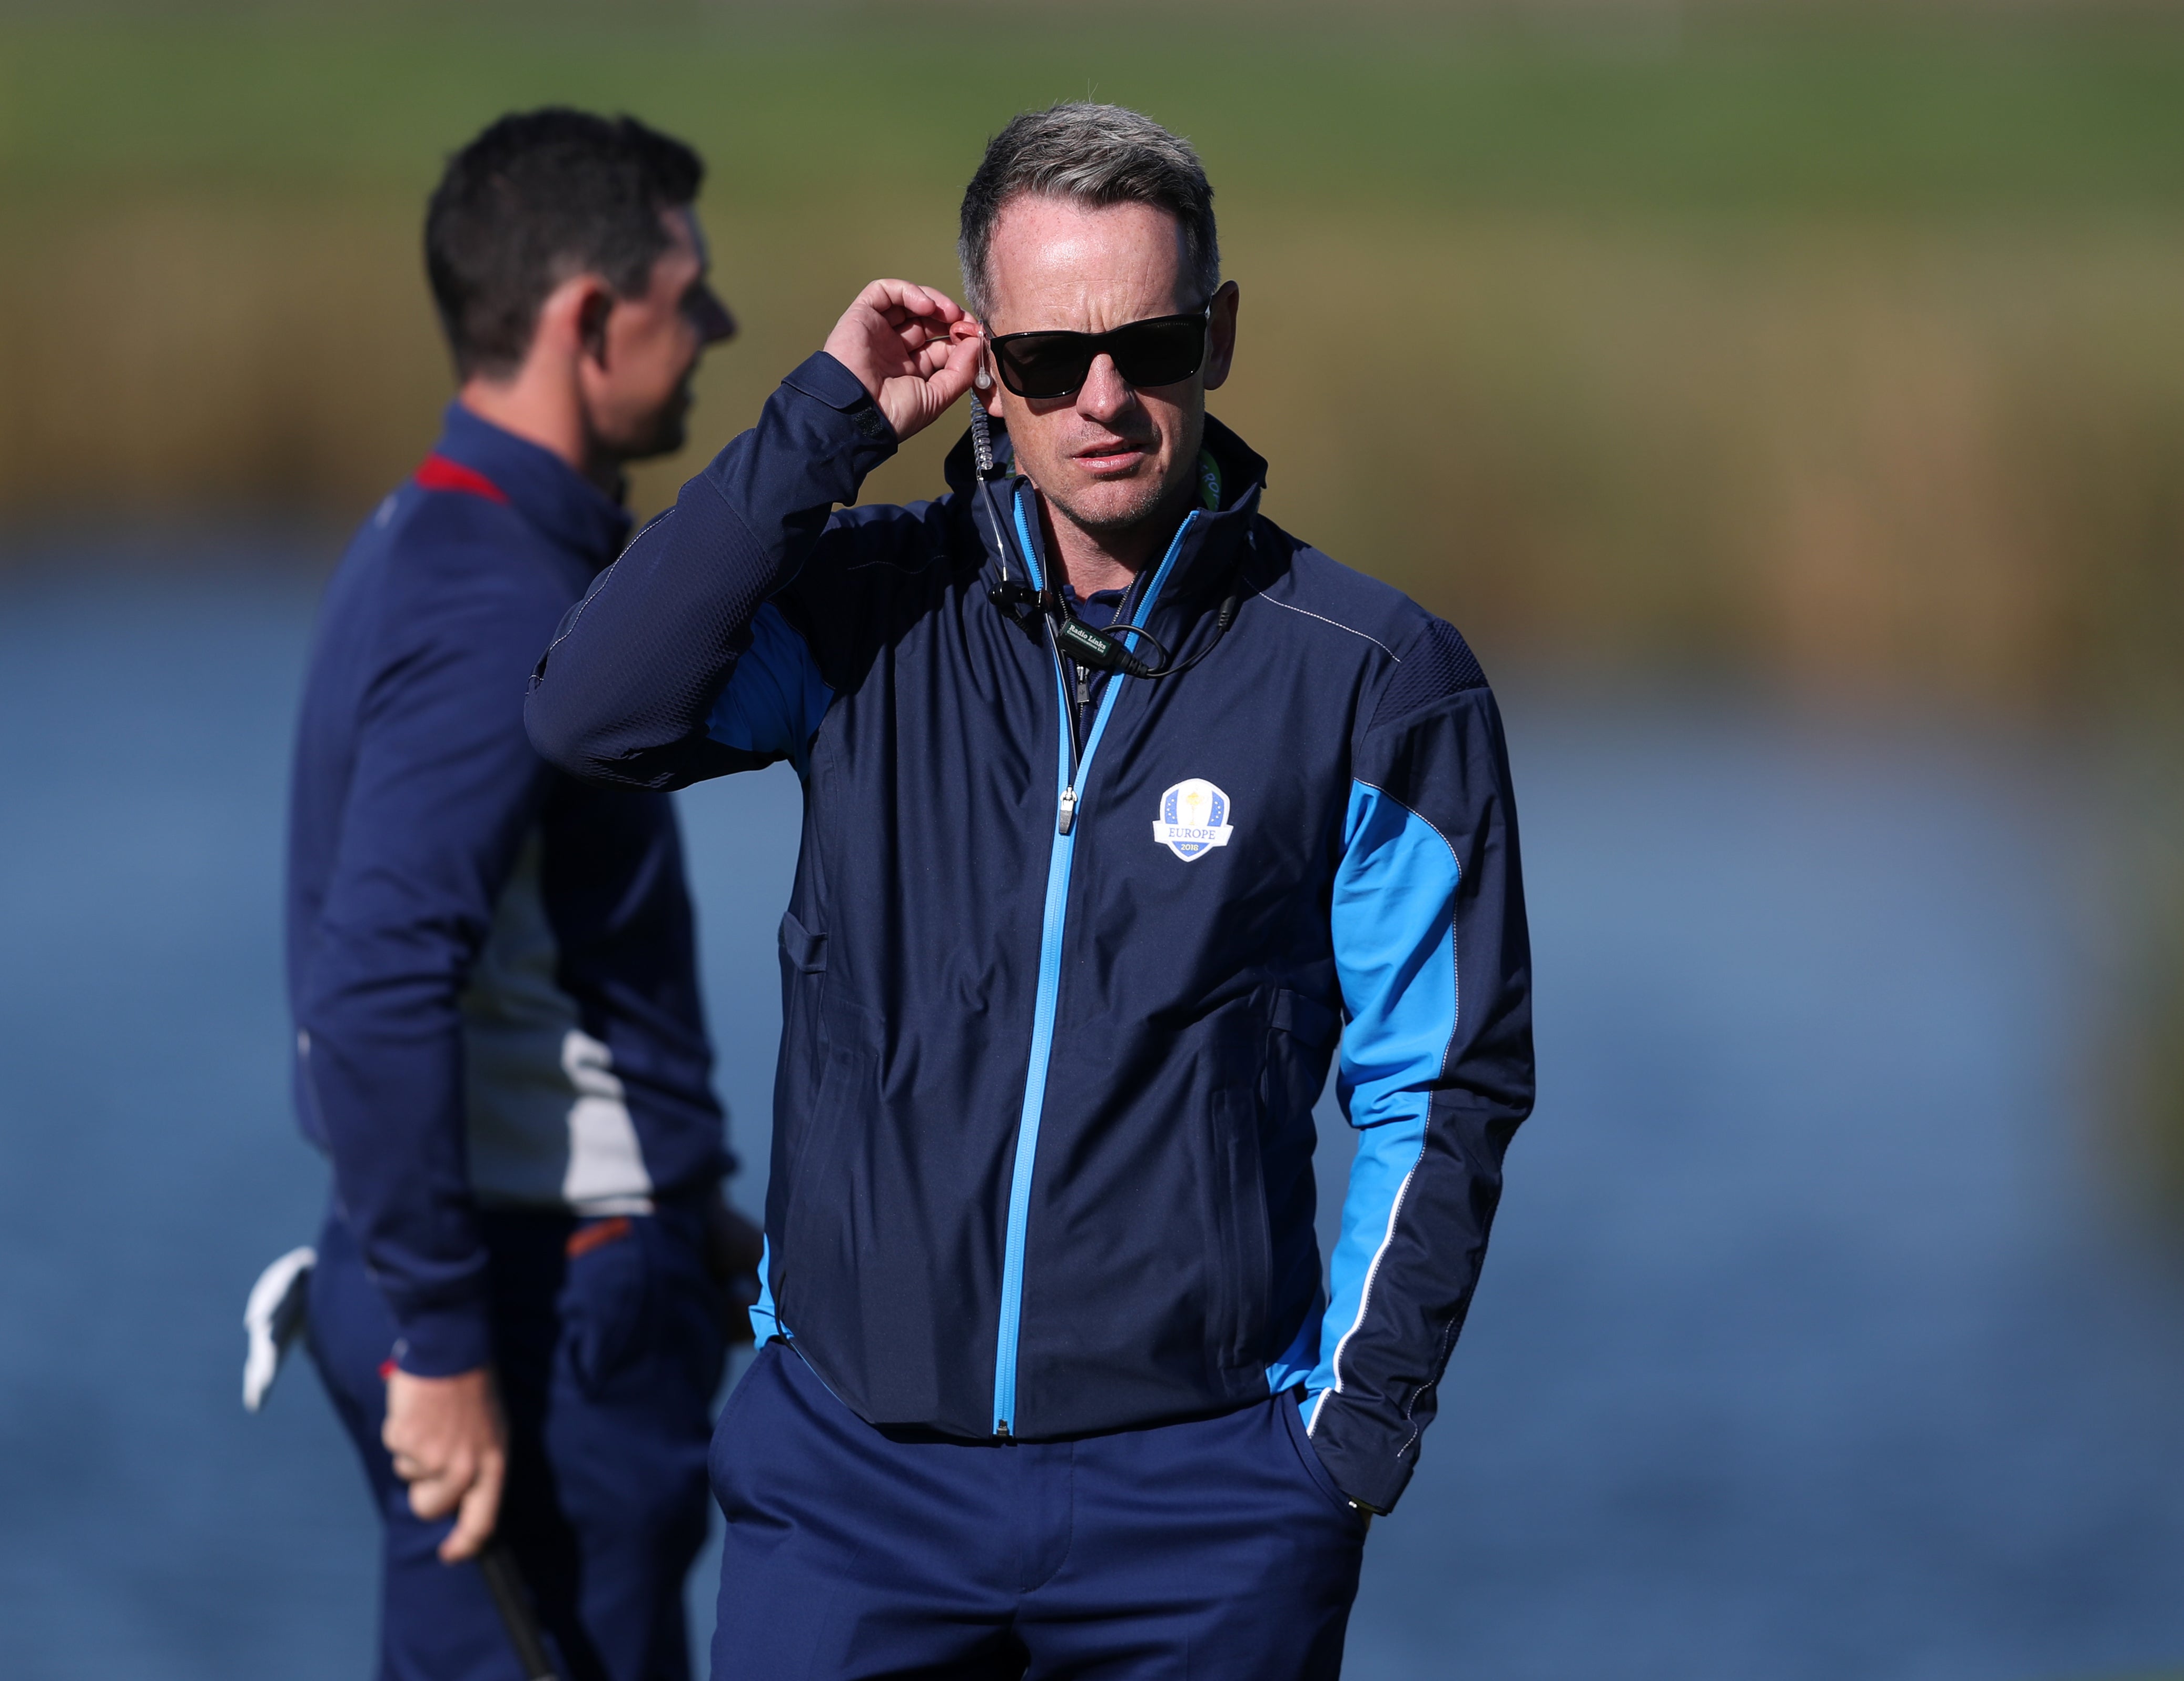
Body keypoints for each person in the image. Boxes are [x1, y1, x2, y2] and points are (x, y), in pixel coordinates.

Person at [525, 103, 1535, 1679]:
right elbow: (595, 713)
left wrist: (1341, 1442)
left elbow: (1443, 1083)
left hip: (1202, 1515)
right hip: (852, 1489)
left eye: (1152, 342)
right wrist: (823, 422)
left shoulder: (1373, 681)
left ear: (1220, 332)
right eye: (1055, 359)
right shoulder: (863, 609)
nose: (1108, 397)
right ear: (985, 361)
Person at [282, 107, 747, 1681]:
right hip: (534, 1307)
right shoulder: (496, 600)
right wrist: (446, 1336)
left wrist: (691, 1207)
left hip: (536, 1273)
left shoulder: (444, 533)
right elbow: (376, 982)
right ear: (591, 318)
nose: (720, 330)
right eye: (691, 295)